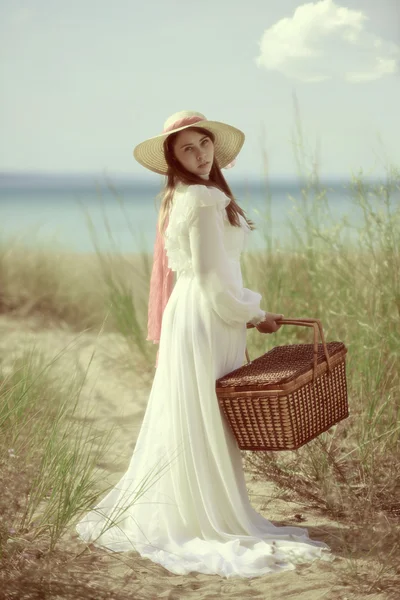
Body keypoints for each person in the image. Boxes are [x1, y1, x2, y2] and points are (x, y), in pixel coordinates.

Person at [75, 110, 333, 578]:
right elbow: (214, 279)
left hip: (193, 312)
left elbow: (208, 273)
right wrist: (255, 314)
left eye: (203, 144)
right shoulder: (204, 199)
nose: (199, 155)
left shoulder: (181, 197)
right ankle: (204, 515)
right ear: (173, 158)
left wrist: (243, 309)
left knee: (194, 412)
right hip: (209, 314)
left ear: (215, 145)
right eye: (186, 149)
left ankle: (192, 505)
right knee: (206, 415)